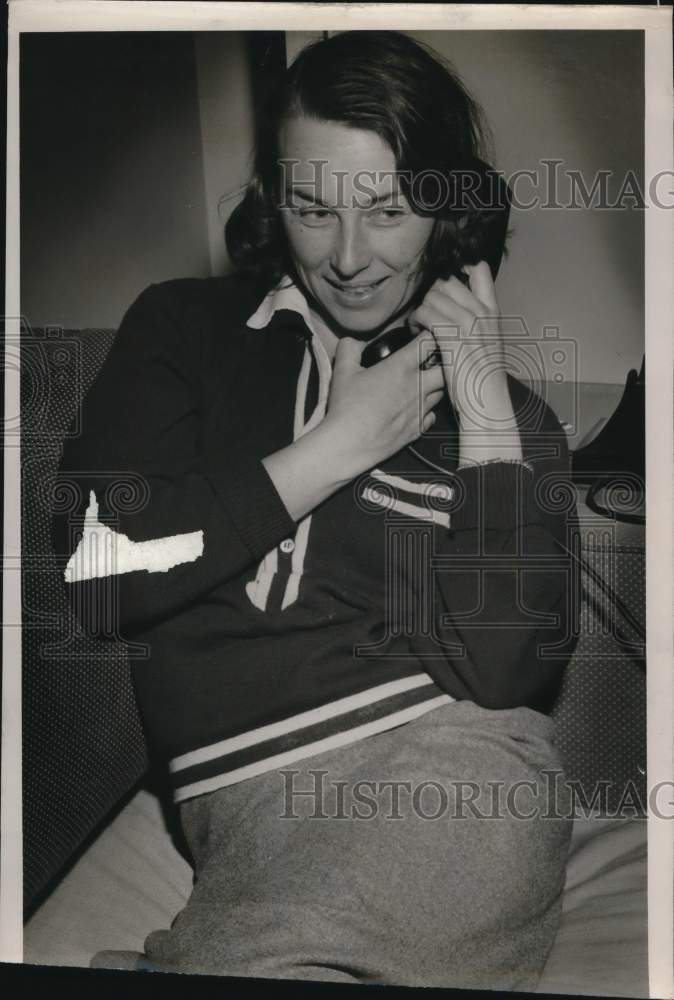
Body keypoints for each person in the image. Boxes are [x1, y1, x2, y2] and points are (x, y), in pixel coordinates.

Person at [54, 30, 578, 990]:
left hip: (450, 778)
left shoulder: (514, 421)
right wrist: (334, 449)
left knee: (455, 863)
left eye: (387, 210)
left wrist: (489, 415)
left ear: (446, 207)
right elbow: (98, 575)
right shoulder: (183, 328)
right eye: (310, 206)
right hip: (245, 806)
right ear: (271, 200)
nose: (347, 257)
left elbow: (509, 673)